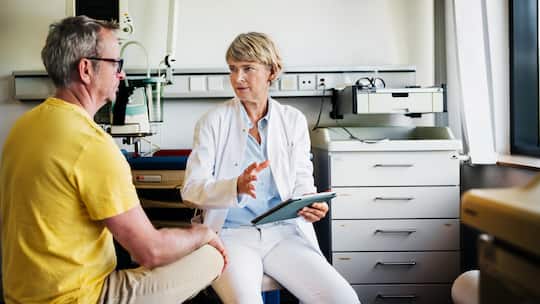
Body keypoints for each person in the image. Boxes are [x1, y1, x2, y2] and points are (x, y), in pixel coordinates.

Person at [0, 16, 227, 304]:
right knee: (211, 256)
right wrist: (202, 234)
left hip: (22, 296)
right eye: (116, 64)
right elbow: (150, 251)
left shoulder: (23, 127)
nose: (121, 74)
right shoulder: (90, 143)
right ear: (86, 69)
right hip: (83, 298)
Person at [182, 32, 360, 304]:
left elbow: (301, 179)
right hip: (231, 235)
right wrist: (234, 187)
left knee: (343, 299)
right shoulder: (213, 122)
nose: (237, 78)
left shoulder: (292, 120)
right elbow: (192, 190)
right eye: (232, 69)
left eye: (247, 68)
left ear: (272, 72)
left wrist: (310, 205)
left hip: (284, 233)